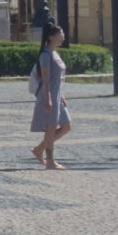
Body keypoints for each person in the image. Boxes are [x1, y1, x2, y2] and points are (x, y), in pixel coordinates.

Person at [31, 22, 72, 168]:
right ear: (51, 37)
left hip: (57, 95)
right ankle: (50, 161)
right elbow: (46, 79)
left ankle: (39, 149)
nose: (63, 37)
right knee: (51, 128)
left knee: (66, 126)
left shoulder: (55, 53)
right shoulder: (46, 54)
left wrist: (61, 94)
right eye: (60, 34)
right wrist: (48, 98)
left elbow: (58, 78)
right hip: (48, 95)